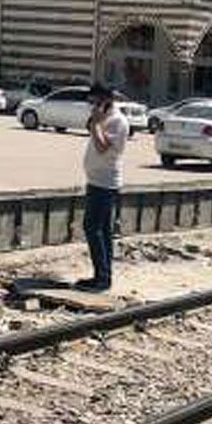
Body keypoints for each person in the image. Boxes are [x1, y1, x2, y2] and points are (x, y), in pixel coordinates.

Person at [77, 83, 129, 291]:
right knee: (103, 231)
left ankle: (102, 278)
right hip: (96, 180)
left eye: (95, 102)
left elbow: (102, 147)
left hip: (105, 183)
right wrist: (95, 121)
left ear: (106, 101)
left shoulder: (118, 121)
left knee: (92, 227)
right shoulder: (104, 118)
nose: (92, 106)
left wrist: (97, 124)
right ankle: (103, 276)